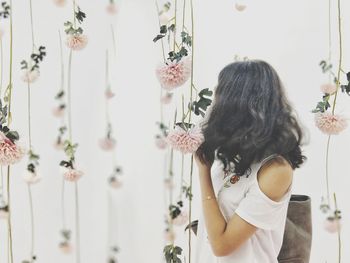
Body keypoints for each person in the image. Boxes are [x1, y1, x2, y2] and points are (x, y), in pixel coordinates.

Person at [194, 60, 307, 263]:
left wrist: (203, 172)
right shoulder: (233, 155)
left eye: (220, 94)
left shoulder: (275, 170)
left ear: (235, 103)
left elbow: (222, 246)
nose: (215, 102)